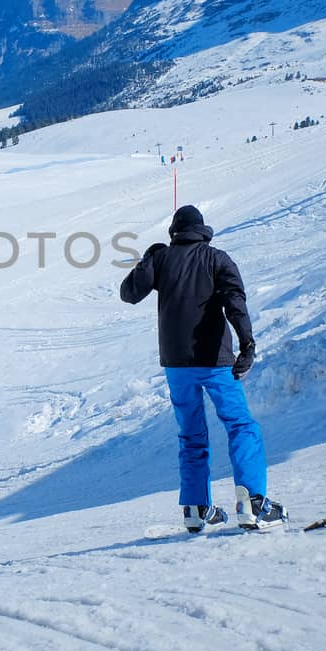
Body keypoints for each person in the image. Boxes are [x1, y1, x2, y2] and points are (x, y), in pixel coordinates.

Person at [120, 205, 285, 532]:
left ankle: (196, 508)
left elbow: (128, 293)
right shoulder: (217, 259)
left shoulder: (162, 258)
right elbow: (235, 302)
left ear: (174, 232)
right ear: (202, 229)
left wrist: (149, 260)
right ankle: (252, 503)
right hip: (214, 361)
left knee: (191, 435)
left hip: (176, 365)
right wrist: (247, 345)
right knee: (240, 425)